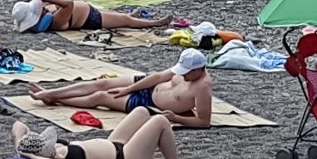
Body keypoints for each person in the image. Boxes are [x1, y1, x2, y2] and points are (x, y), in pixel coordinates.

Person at [28, 49, 214, 128]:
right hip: (151, 86)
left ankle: (54, 98)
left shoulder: (203, 87)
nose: (183, 75)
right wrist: (128, 89)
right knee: (102, 83)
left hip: (150, 103)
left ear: (198, 70)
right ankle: (50, 93)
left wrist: (176, 118)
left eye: (186, 73)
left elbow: (204, 121)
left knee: (100, 96)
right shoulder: (187, 70)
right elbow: (158, 77)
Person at [11, 108, 200, 159]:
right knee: (160, 121)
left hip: (114, 145)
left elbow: (19, 125)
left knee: (141, 111)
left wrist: (19, 146)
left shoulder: (51, 152)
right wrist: (31, 157)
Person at [12, 0, 172, 34]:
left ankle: (132, 15)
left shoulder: (48, 16)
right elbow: (68, 5)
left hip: (88, 12)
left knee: (120, 16)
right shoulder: (55, 22)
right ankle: (156, 23)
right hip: (91, 19)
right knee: (124, 20)